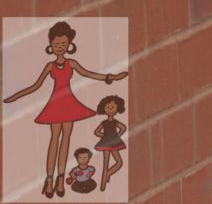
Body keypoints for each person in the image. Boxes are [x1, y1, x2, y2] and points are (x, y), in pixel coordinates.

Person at [2, 22, 127, 199]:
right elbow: (35, 86)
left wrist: (110, 77)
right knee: (55, 139)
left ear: (69, 45)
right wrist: (14, 97)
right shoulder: (50, 66)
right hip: (55, 103)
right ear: (50, 46)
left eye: (63, 44)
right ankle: (49, 179)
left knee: (66, 139)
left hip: (68, 103)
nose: (59, 47)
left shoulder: (71, 63)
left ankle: (61, 178)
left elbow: (89, 74)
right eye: (56, 44)